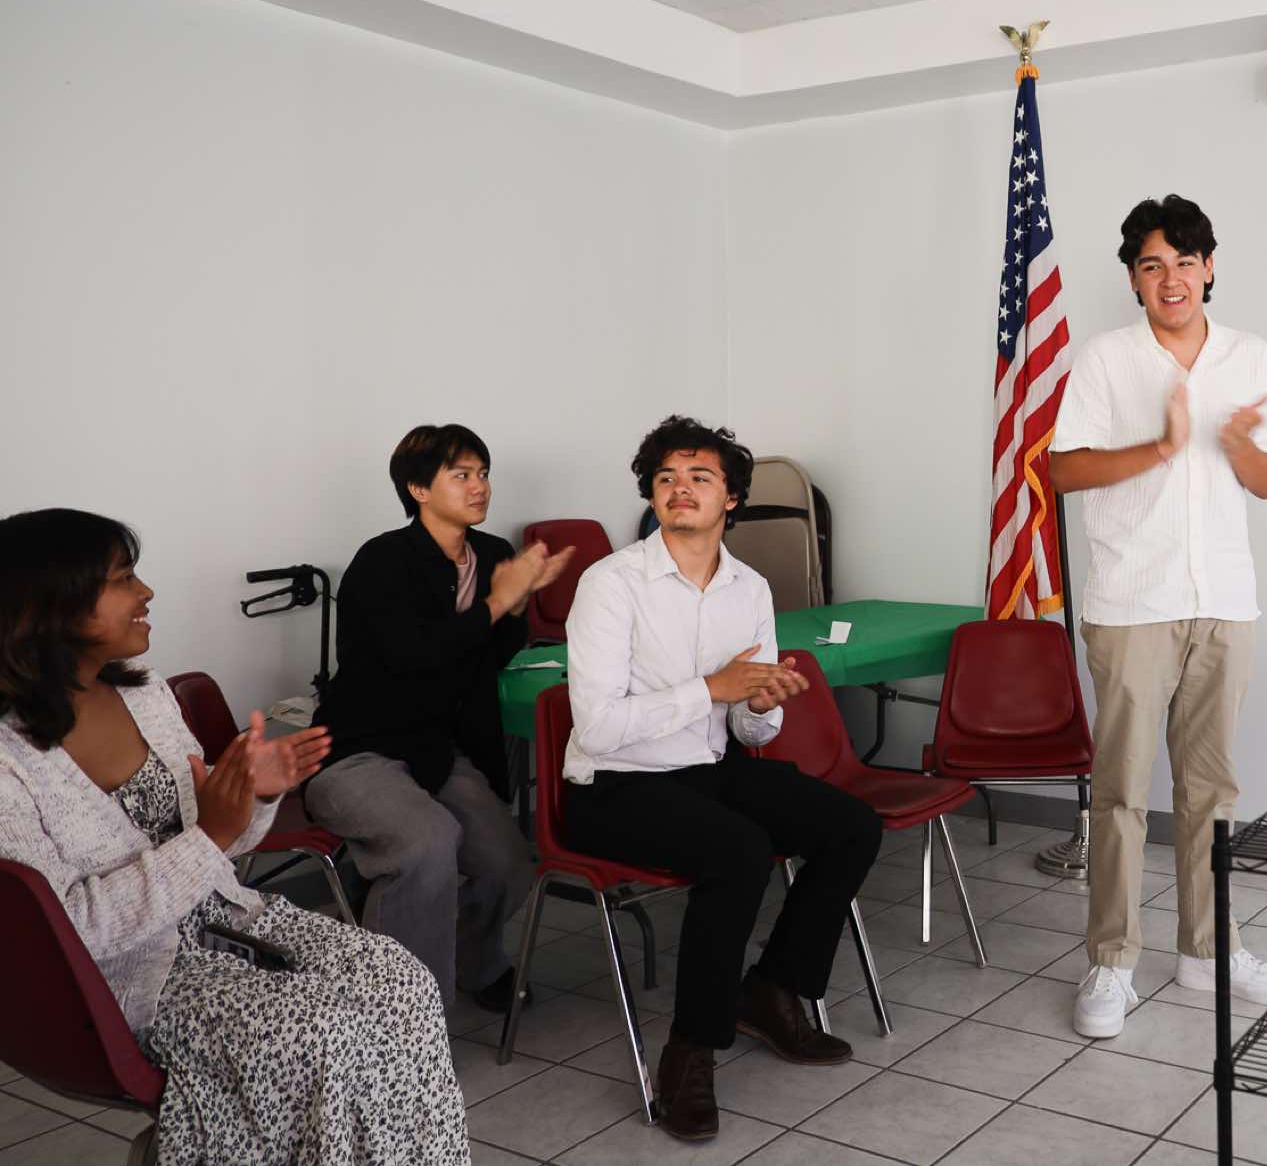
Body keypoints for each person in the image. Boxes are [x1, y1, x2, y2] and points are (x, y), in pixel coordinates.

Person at [0, 509, 469, 1164]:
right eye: (123, 578)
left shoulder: (146, 695)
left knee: (402, 984)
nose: (146, 592)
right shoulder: (9, 760)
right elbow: (66, 931)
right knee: (322, 1032)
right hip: (126, 979)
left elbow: (223, 843)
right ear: (49, 606)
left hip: (228, 919)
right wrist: (211, 835)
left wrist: (257, 794)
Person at [564, 415, 882, 1143]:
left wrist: (759, 706)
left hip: (709, 769)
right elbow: (598, 726)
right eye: (667, 477)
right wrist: (712, 687)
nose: (681, 488)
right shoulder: (610, 584)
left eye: (700, 477)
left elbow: (746, 729)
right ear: (652, 493)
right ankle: (690, 1051)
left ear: (731, 498)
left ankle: (771, 991)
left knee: (852, 826)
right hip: (614, 785)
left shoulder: (750, 588)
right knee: (739, 852)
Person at [1049, 194, 1267, 1039]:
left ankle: (1209, 950)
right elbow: (1061, 472)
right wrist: (1159, 447)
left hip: (1224, 600)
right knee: (1122, 790)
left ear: (1209, 268)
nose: (1171, 278)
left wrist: (1241, 448)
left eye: (1185, 262)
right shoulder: (1106, 359)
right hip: (1133, 603)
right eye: (1152, 264)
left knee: (1211, 791)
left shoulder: (1248, 354)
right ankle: (1112, 960)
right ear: (1133, 278)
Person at [306, 423, 573, 1010]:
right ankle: (398, 1017)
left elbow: (492, 656)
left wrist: (516, 605)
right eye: (462, 475)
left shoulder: (493, 556)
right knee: (428, 843)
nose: (480, 487)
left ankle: (474, 964)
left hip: (435, 751)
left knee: (508, 863)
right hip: (355, 752)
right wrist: (500, 601)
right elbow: (413, 657)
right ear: (419, 488)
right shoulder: (382, 560)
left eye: (483, 474)